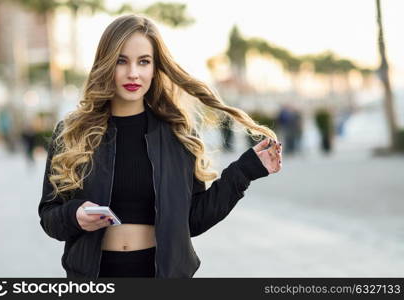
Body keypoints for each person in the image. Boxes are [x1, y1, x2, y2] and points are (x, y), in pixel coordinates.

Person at [38, 14, 283, 279]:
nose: (133, 73)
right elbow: (49, 217)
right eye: (122, 61)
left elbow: (192, 220)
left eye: (143, 61)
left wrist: (244, 171)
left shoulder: (177, 133)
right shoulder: (73, 133)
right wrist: (75, 215)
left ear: (155, 68)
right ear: (106, 64)